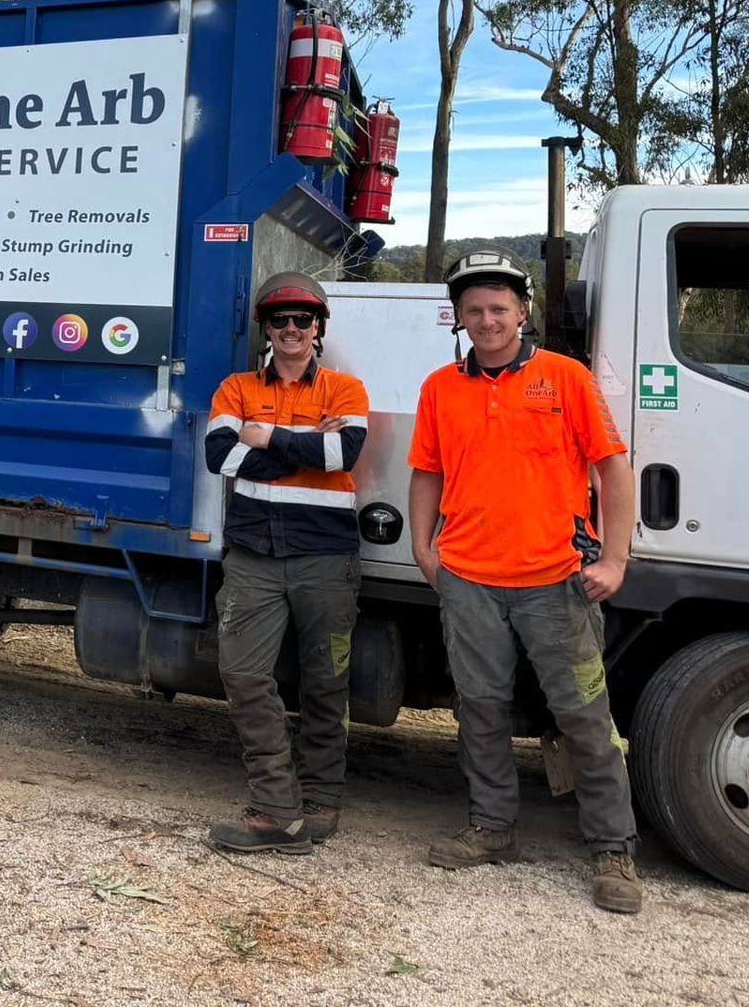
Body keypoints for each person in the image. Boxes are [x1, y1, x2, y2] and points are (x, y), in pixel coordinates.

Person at [407, 250, 640, 914]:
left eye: (499, 309)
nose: (487, 321)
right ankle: (492, 827)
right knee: (479, 710)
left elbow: (613, 472)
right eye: (474, 310)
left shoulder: (565, 379)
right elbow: (427, 473)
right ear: (458, 317)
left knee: (584, 717)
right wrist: (426, 551)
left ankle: (612, 849)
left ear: (523, 312)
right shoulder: (438, 389)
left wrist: (615, 559)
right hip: (469, 580)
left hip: (556, 582)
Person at [204, 273, 369, 854]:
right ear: (266, 330)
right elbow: (218, 457)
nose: (292, 329)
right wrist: (301, 447)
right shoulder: (235, 387)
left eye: (303, 319)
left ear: (319, 328)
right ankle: (277, 807)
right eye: (280, 320)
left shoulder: (346, 390)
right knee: (244, 673)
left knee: (326, 681)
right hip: (253, 555)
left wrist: (264, 435)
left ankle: (322, 801)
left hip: (325, 557)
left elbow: (341, 453)